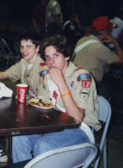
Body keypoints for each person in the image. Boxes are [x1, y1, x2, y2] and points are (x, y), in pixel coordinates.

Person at [12, 34, 100, 163]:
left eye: (56, 55)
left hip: (80, 129)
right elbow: (43, 104)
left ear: (67, 56)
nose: (51, 62)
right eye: (47, 57)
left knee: (43, 145)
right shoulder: (48, 76)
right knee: (19, 137)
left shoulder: (82, 77)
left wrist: (62, 84)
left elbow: (78, 118)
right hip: (54, 123)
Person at [0, 33, 48, 162]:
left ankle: (0, 149)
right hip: (27, 104)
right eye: (22, 47)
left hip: (39, 110)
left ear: (38, 48)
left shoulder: (44, 67)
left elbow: (46, 100)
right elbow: (5, 74)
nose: (24, 50)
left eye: (28, 46)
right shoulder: (23, 64)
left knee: (2, 112)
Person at [72, 16, 123, 96]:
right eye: (110, 30)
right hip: (86, 87)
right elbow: (121, 60)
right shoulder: (100, 48)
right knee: (112, 94)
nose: (111, 33)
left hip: (74, 81)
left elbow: (106, 69)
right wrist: (115, 42)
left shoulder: (83, 40)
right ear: (105, 33)